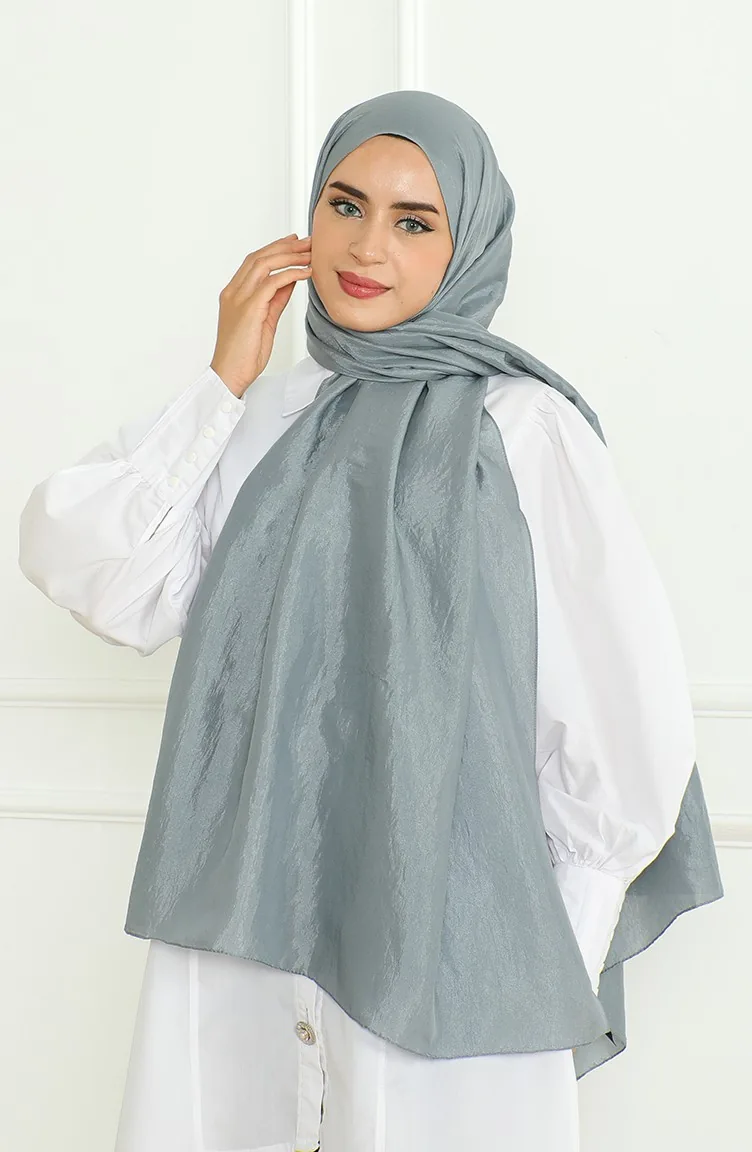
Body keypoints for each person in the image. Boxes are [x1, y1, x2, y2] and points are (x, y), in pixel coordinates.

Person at [18, 90, 722, 1152]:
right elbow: (103, 579)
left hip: (449, 936)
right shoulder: (262, 417)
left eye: (413, 221)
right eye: (345, 205)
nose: (366, 248)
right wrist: (222, 379)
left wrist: (524, 965)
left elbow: (622, 730)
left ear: (466, 243)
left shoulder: (525, 432)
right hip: (241, 919)